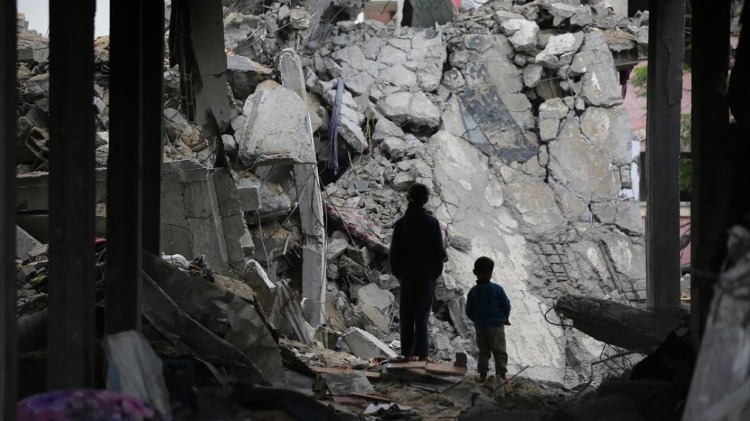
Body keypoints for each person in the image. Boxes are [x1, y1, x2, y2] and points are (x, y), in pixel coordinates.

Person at [389, 183, 446, 362]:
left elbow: (394, 253)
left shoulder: (401, 224)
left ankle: (407, 353)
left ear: (408, 197)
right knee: (421, 315)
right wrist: (436, 272)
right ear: (426, 199)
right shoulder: (432, 223)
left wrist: (399, 273)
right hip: (426, 275)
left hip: (407, 274)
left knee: (406, 314)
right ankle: (422, 355)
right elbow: (439, 253)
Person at [465, 256, 511, 382]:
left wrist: (476, 321)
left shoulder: (473, 292)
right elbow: (506, 305)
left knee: (483, 351)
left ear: (475, 272)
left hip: (480, 327)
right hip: (496, 326)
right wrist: (506, 318)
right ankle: (501, 374)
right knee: (499, 350)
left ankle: (482, 375)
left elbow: (468, 311)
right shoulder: (497, 289)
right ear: (490, 273)